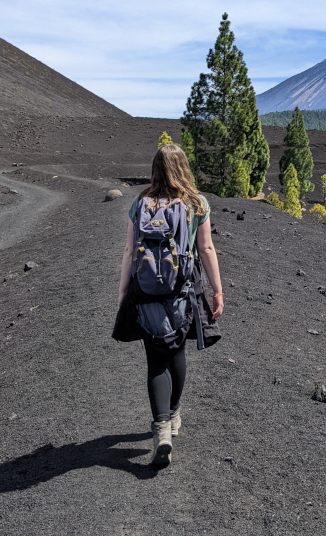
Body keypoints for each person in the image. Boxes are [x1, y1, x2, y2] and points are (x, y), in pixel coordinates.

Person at [114, 144, 224, 467]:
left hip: (145, 293)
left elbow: (128, 250)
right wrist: (217, 291)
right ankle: (174, 414)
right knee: (176, 353)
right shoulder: (195, 204)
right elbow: (206, 248)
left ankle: (162, 429)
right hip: (181, 294)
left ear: (155, 169)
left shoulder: (140, 204)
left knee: (155, 359)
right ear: (183, 167)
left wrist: (124, 292)